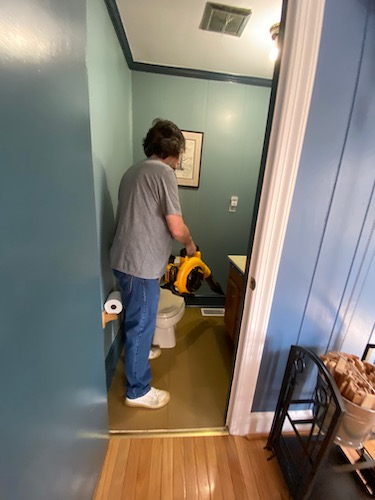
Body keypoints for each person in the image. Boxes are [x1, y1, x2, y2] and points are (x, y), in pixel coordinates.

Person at [110, 119, 197, 409]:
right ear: (174, 150)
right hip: (140, 264)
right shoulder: (164, 173)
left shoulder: (132, 171)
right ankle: (137, 391)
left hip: (123, 259)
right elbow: (175, 226)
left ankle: (139, 353)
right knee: (142, 324)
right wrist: (189, 243)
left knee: (136, 319)